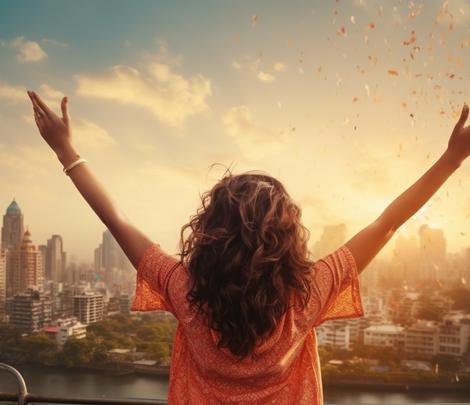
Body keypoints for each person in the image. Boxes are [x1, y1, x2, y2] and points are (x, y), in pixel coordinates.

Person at [27, 90, 469, 404]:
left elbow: (115, 219)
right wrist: (452, 158)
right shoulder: (306, 295)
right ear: (288, 239)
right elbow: (387, 223)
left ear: (208, 233)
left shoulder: (185, 291)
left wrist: (67, 150)